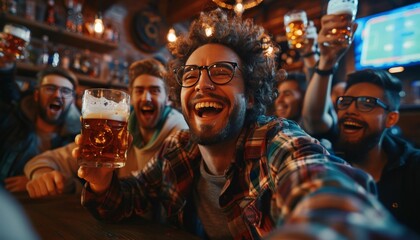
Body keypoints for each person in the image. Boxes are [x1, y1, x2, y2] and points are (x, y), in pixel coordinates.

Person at [73, 9, 415, 239]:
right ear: (181, 95)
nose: (203, 85)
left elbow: (324, 189)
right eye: (191, 75)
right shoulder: (178, 148)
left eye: (221, 72)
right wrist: (102, 183)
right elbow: (128, 199)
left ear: (251, 95)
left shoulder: (276, 141)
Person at [302, 13, 420, 234]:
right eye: (346, 101)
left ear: (391, 118)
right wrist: (326, 61)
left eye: (367, 103)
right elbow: (312, 118)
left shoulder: (413, 169)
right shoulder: (328, 157)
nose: (351, 110)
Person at [24, 58, 188, 198]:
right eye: (139, 91)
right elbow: (47, 160)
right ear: (130, 98)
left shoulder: (179, 135)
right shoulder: (117, 131)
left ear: (168, 99)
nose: (146, 98)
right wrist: (42, 174)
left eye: (155, 90)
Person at [0, 56, 80, 192]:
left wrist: (37, 180)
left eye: (65, 91)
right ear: (36, 95)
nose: (57, 95)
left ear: (72, 100)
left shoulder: (78, 140)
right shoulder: (11, 121)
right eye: (50, 88)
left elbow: (83, 185)